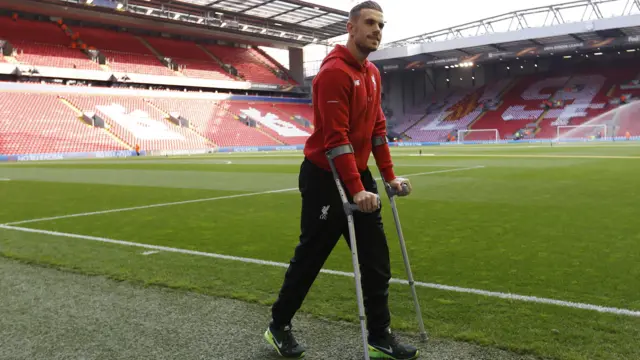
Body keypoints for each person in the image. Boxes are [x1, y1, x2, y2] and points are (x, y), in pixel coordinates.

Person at [263, 1, 419, 359]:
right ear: (351, 27)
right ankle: (278, 326)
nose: (377, 30)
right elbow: (335, 140)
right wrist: (357, 189)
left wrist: (389, 178)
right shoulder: (333, 72)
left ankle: (379, 335)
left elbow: (378, 130)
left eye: (381, 25)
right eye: (369, 23)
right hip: (324, 177)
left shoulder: (373, 73)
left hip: (355, 174)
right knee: (311, 258)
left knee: (376, 261)